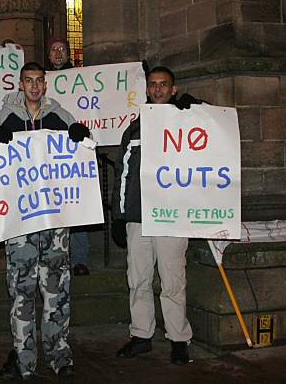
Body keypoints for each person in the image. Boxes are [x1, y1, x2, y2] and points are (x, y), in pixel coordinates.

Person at [0, 62, 91, 380]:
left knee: (57, 291)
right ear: (20, 84)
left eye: (40, 81)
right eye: (29, 81)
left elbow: (84, 151)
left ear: (45, 84)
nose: (35, 86)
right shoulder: (7, 115)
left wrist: (81, 136)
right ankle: (24, 360)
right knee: (21, 292)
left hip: (55, 222)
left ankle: (59, 356)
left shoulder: (59, 114)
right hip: (21, 222)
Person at [111, 66, 202, 365]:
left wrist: (196, 106)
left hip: (172, 216)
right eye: (153, 85)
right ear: (147, 90)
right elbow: (122, 174)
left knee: (173, 280)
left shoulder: (189, 120)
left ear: (173, 89)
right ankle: (141, 335)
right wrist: (119, 215)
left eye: (164, 85)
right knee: (138, 279)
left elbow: (214, 138)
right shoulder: (135, 128)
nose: (159, 89)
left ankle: (178, 339)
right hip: (138, 216)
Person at [45, 37, 91, 276]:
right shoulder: (40, 79)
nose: (58, 53)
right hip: (47, 152)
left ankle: (79, 260)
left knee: (76, 205)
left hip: (73, 151)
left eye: (62, 49)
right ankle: (55, 259)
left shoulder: (79, 79)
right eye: (54, 50)